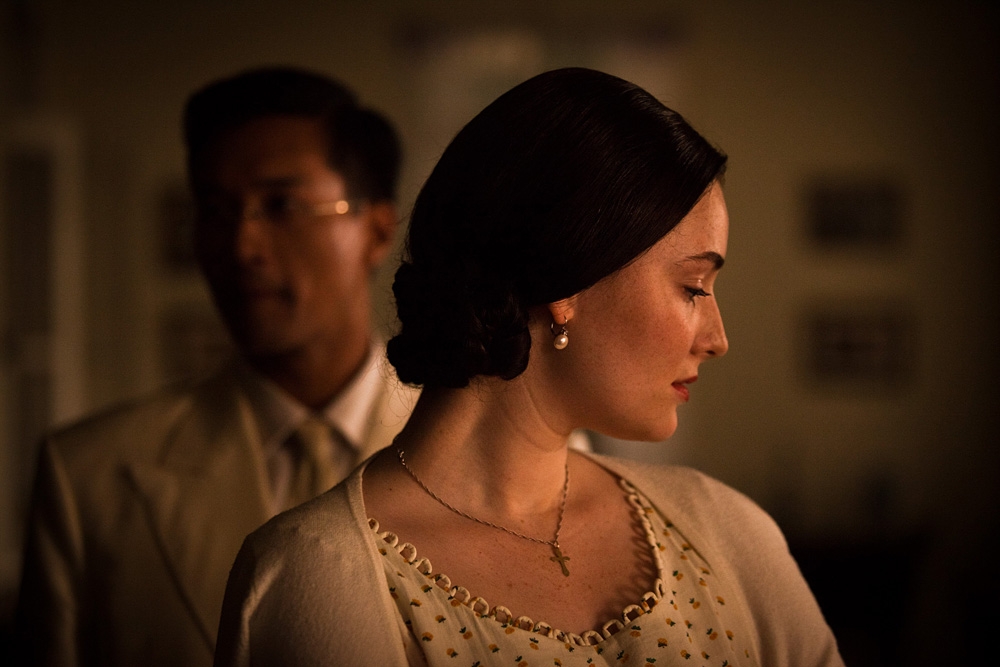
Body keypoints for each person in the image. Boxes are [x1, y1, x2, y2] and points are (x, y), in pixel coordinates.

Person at [214, 68, 844, 666]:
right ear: (568, 283)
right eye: (693, 287)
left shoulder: (725, 531)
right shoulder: (317, 571)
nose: (717, 340)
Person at [14, 66, 418, 667]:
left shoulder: (476, 451)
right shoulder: (91, 476)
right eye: (214, 209)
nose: (241, 246)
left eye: (281, 205)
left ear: (377, 229)